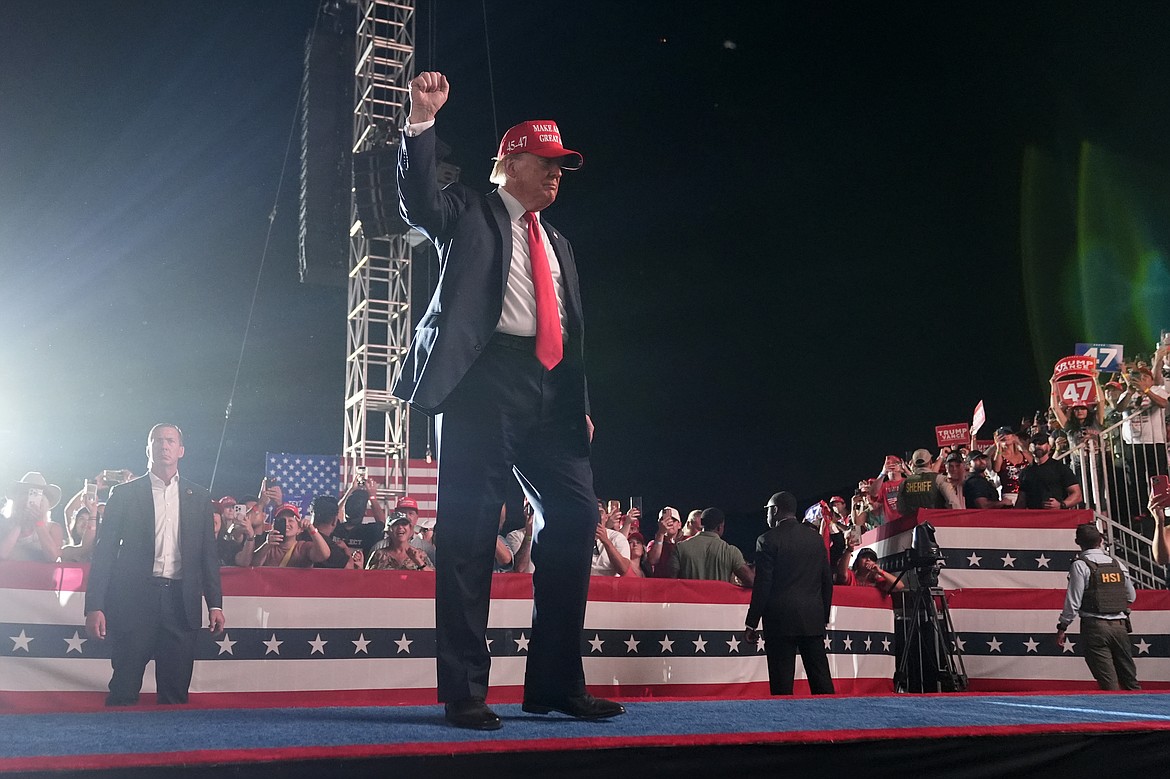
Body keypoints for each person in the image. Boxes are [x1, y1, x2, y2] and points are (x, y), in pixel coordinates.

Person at [392, 71, 622, 730]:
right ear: (510, 164)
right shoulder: (467, 212)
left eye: (563, 166)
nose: (556, 175)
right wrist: (421, 120)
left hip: (551, 390)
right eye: (546, 163)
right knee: (469, 535)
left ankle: (553, 681)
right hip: (483, 382)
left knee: (576, 518)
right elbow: (415, 199)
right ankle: (464, 689)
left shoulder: (562, 245)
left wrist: (574, 397)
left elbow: (573, 332)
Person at [83, 424, 225, 706]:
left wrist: (216, 604)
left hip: (181, 602)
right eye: (157, 440)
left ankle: (172, 750)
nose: (164, 445)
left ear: (181, 450)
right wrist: (94, 605)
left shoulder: (198, 497)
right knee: (124, 688)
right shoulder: (124, 494)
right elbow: (105, 554)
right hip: (135, 601)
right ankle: (115, 748)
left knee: (174, 695)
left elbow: (208, 555)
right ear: (148, 448)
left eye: (171, 440)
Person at [745, 492, 834, 696]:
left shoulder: (766, 540)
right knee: (821, 681)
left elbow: (763, 585)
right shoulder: (816, 540)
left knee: (782, 684)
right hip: (812, 619)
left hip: (779, 621)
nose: (766, 515)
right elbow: (827, 581)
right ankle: (833, 722)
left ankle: (785, 726)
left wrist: (752, 622)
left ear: (775, 510)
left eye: (767, 510)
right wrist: (823, 617)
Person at [1056, 523, 1139, 690]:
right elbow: (1131, 596)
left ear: (1077, 541)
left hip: (1095, 628)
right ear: (1101, 540)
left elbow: (1074, 601)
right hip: (1120, 627)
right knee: (1130, 682)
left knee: (1109, 684)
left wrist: (1062, 626)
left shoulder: (1080, 565)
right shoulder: (1117, 564)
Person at [668, 507, 755, 587]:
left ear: (702, 523)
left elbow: (671, 582)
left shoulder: (680, 548)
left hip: (689, 603)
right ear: (720, 527)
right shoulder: (731, 551)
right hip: (719, 602)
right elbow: (751, 581)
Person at [0, 472, 66, 562]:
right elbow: (2, 554)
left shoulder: (53, 528)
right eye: (26, 495)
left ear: (44, 502)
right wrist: (19, 524)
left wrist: (39, 523)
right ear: (17, 501)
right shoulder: (4, 524)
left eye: (37, 497)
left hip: (41, 575)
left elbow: (53, 557)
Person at [248, 503, 331, 568]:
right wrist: (267, 544)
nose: (287, 524)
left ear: (299, 529)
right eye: (282, 521)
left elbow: (324, 555)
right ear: (274, 526)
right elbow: (253, 565)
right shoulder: (268, 547)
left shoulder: (303, 547)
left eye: (291, 520)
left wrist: (311, 529)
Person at [1017, 433, 1082, 510]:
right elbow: (1021, 500)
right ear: (1030, 447)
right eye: (1035, 443)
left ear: (1049, 446)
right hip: (1035, 517)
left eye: (1041, 443)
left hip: (1057, 517)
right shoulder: (1026, 472)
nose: (1037, 446)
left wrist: (1061, 505)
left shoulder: (1060, 468)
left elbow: (1077, 494)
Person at [367, 512, 434, 571]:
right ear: (388, 530)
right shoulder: (379, 555)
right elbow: (367, 580)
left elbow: (433, 579)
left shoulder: (420, 554)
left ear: (410, 529)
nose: (400, 527)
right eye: (396, 524)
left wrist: (419, 562)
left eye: (404, 524)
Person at [645, 506, 682, 577]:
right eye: (664, 520)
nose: (669, 523)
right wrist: (661, 533)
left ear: (679, 525)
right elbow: (653, 560)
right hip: (661, 585)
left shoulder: (685, 542)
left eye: (673, 520)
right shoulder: (653, 543)